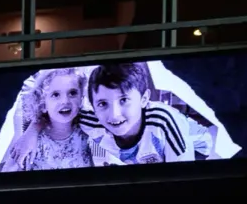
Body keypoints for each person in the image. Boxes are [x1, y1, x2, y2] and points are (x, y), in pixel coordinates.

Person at [82, 61, 217, 167]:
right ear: (92, 105)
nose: (114, 115)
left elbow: (183, 176)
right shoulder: (91, 121)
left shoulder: (163, 121)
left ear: (144, 99)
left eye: (124, 100)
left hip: (197, 146)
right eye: (102, 104)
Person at [0, 67, 93, 173]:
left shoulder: (88, 133)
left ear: (81, 98)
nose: (65, 101)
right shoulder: (31, 143)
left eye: (72, 93)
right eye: (55, 95)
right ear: (42, 103)